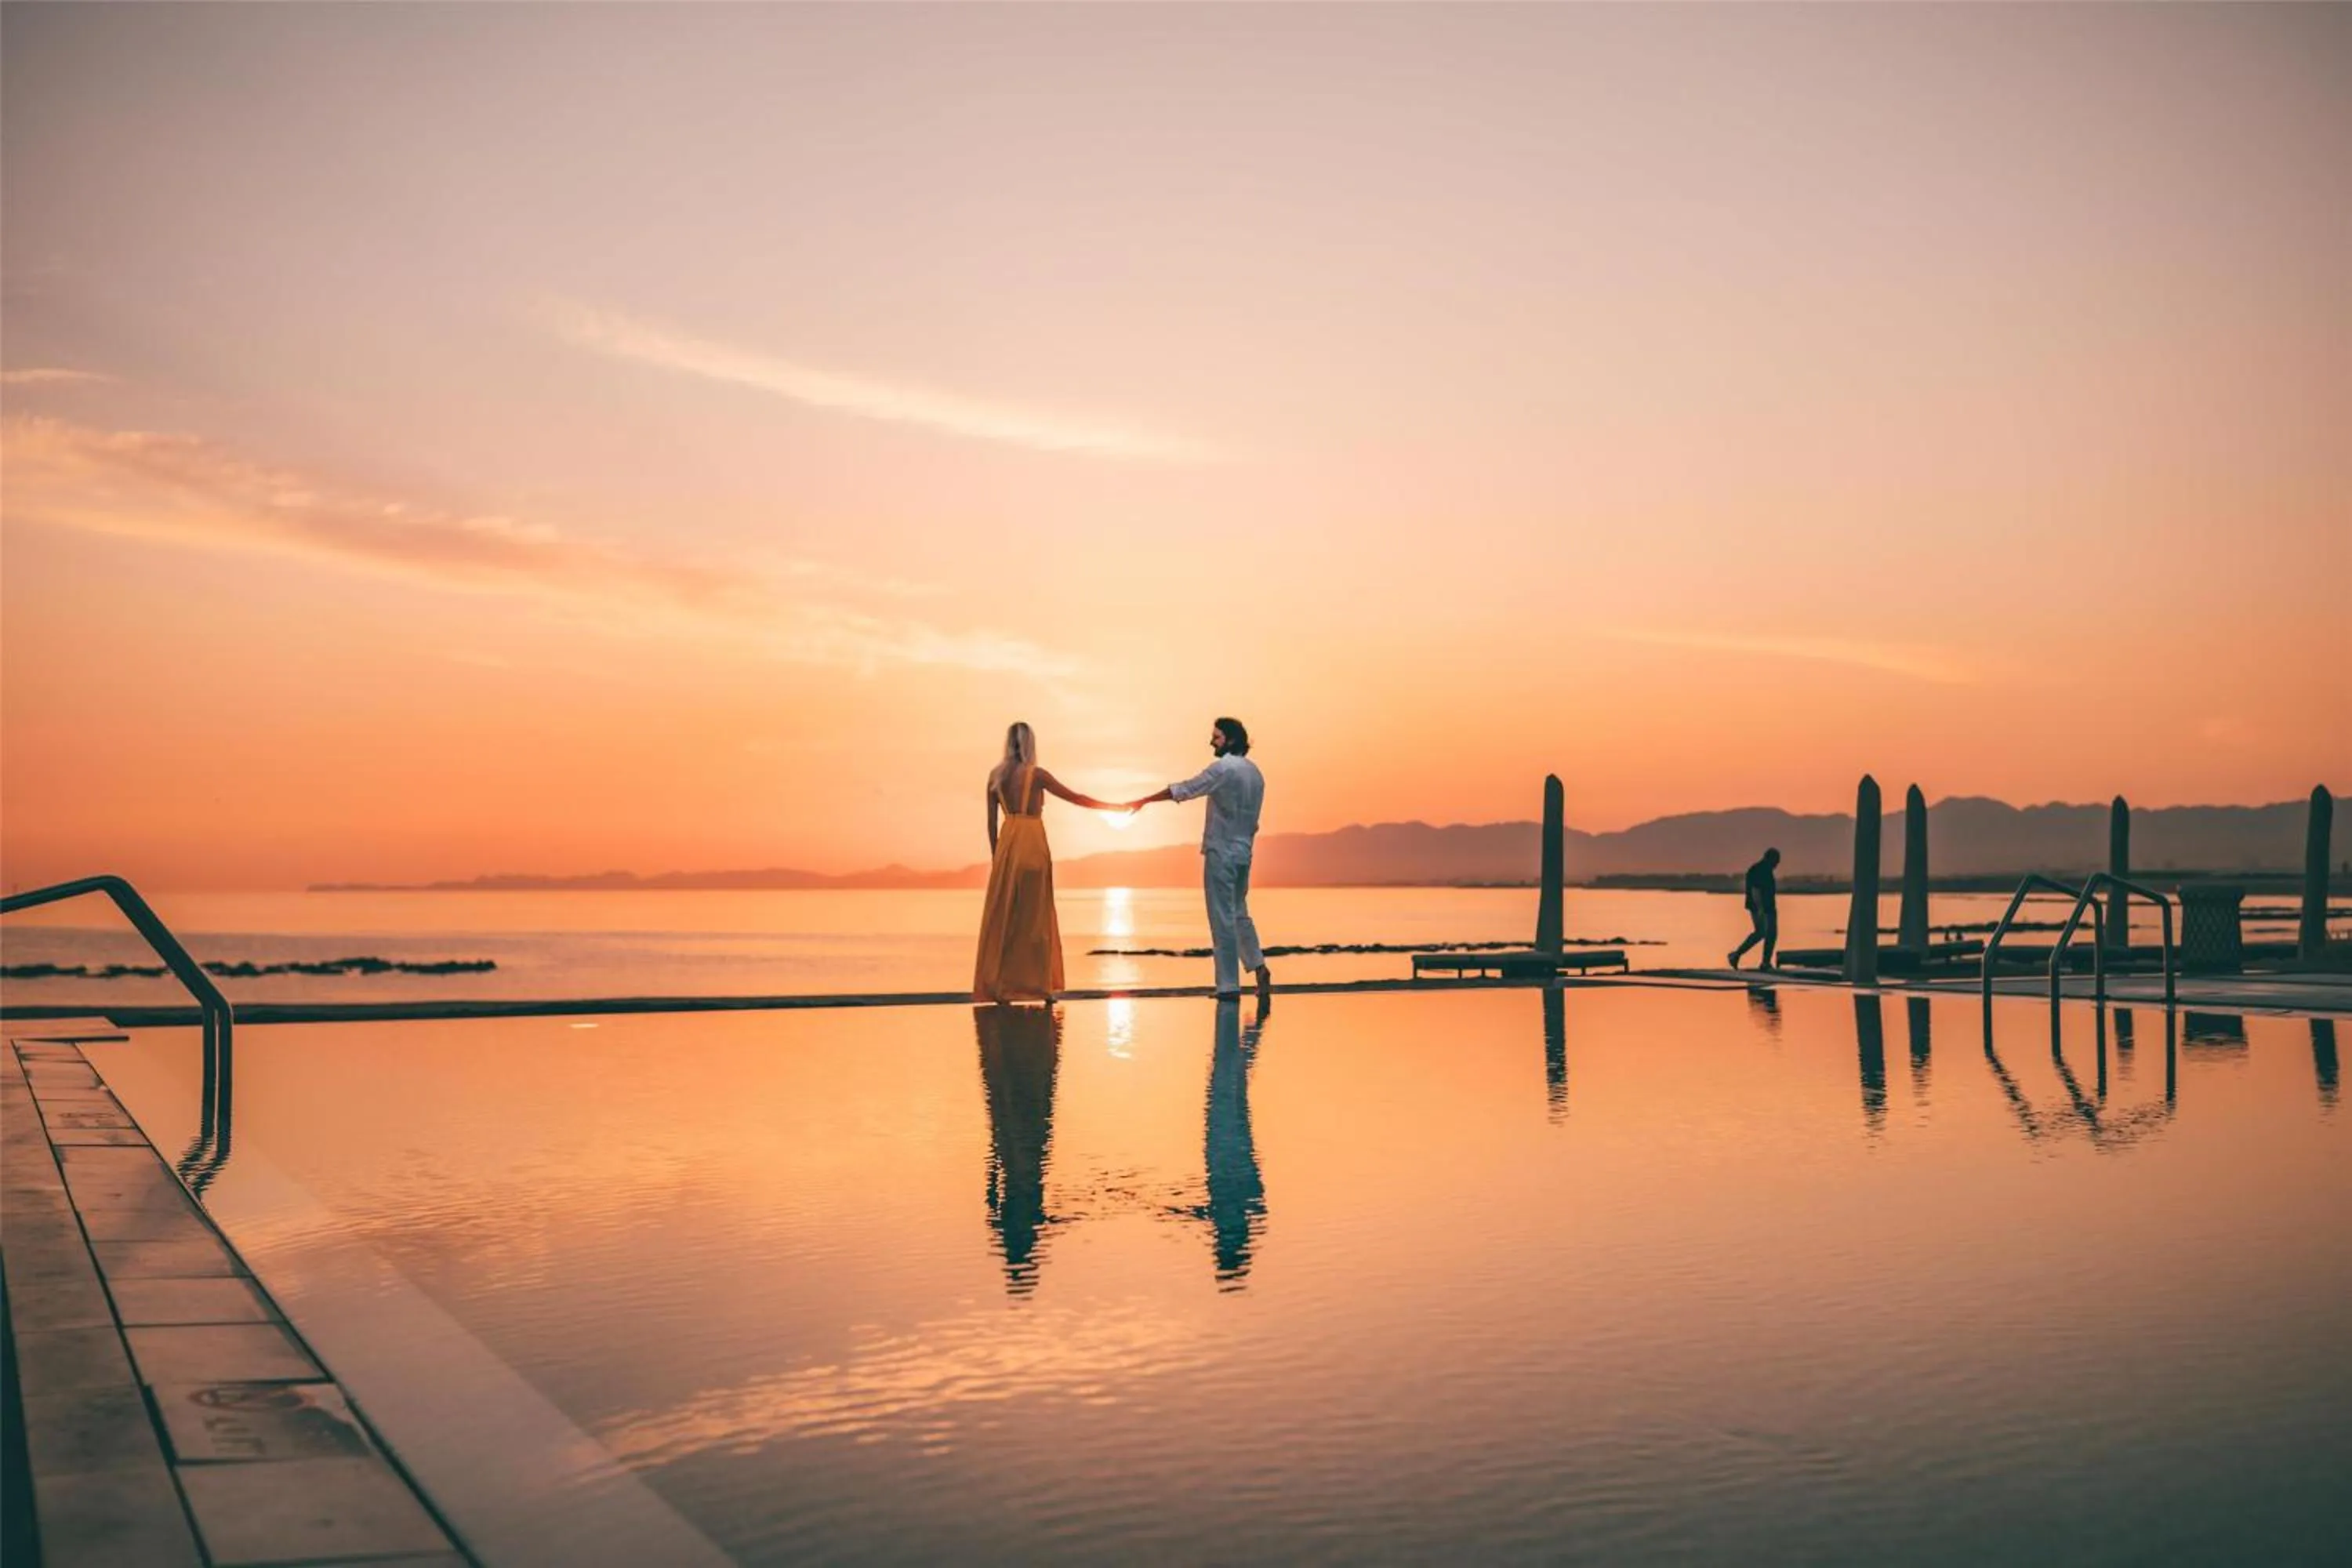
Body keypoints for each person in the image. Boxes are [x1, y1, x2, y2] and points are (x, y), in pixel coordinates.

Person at [974, 722, 1124, 1004]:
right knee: (1036, 920)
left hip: (1008, 846)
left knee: (1006, 918)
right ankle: (1041, 987)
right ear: (1031, 744)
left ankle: (1002, 987)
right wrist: (1112, 807)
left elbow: (990, 825)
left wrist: (998, 859)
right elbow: (1075, 797)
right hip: (1032, 844)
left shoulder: (995, 777)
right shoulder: (1037, 775)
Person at [1129, 717, 1270, 998]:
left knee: (1221, 918)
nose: (1211, 743)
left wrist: (1143, 800)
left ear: (1230, 740)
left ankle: (1228, 986)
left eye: (1216, 738)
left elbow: (1185, 789)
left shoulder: (1223, 769)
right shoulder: (1256, 775)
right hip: (1244, 853)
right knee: (1239, 913)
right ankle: (1258, 967)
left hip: (1222, 852)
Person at [1728, 846, 1781, 971]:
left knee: (1765, 934)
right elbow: (1755, 891)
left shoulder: (1765, 869)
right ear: (1770, 859)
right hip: (1761, 907)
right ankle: (1763, 962)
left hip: (1767, 907)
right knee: (1766, 933)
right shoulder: (1759, 870)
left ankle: (1737, 955)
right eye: (1776, 862)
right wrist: (1760, 910)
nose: (1777, 865)